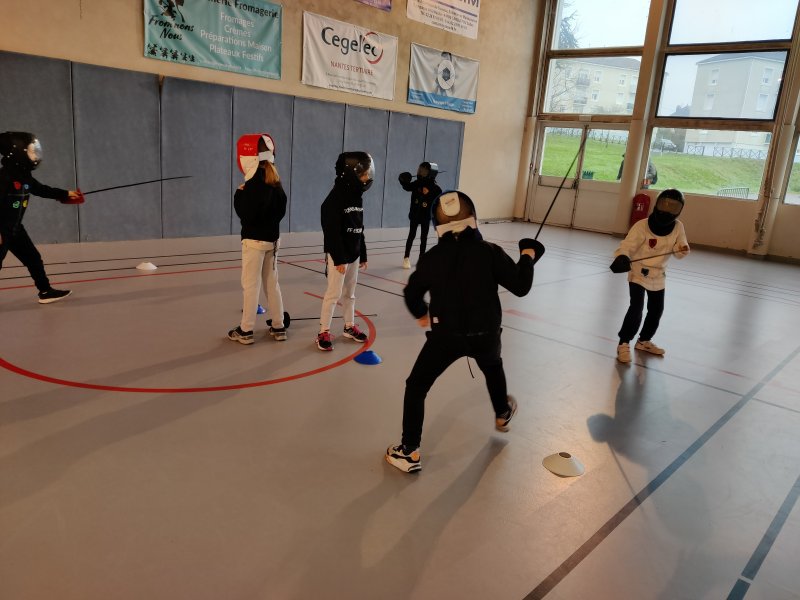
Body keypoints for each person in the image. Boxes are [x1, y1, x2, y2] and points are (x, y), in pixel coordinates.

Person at [385, 190, 545, 473]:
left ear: (438, 225)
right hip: (486, 334)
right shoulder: (489, 252)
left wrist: (421, 313)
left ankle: (409, 452)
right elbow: (521, 286)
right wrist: (528, 256)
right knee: (493, 366)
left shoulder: (433, 257)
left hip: (445, 337)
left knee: (417, 386)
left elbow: (412, 293)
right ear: (473, 218)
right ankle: (502, 413)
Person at [0, 131, 83, 304]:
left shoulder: (24, 176)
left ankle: (45, 291)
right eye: (31, 151)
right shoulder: (4, 177)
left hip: (15, 229)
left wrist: (66, 194)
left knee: (33, 258)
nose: (35, 155)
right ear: (16, 152)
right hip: (2, 229)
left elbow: (42, 190)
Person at [610, 188, 690, 363]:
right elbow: (627, 245)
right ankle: (623, 343)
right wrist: (622, 256)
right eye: (664, 205)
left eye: (673, 207)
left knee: (656, 310)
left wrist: (682, 249)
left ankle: (644, 340)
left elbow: (679, 250)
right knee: (636, 308)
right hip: (638, 272)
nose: (667, 210)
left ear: (679, 210)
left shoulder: (678, 227)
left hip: (659, 275)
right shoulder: (642, 226)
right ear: (657, 204)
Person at [228, 134, 288, 345]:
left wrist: (238, 195)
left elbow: (247, 215)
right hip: (272, 241)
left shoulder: (252, 184)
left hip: (254, 242)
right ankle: (279, 326)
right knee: (272, 284)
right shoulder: (275, 181)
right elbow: (280, 211)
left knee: (251, 286)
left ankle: (246, 330)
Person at [316, 151, 374, 351]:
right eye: (363, 173)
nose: (367, 177)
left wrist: (362, 253)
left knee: (350, 293)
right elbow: (331, 231)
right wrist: (339, 258)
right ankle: (323, 331)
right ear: (351, 173)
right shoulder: (335, 198)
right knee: (333, 294)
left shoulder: (357, 196)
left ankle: (349, 326)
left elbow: (359, 228)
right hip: (339, 256)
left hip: (354, 254)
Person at [398, 162, 442, 269]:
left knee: (424, 237)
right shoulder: (417, 183)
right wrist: (402, 180)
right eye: (420, 170)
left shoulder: (435, 188)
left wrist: (428, 194)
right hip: (415, 214)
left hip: (425, 216)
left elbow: (438, 199)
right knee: (411, 235)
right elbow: (407, 187)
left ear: (430, 173)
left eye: (424, 171)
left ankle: (421, 258)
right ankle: (406, 258)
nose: (420, 172)